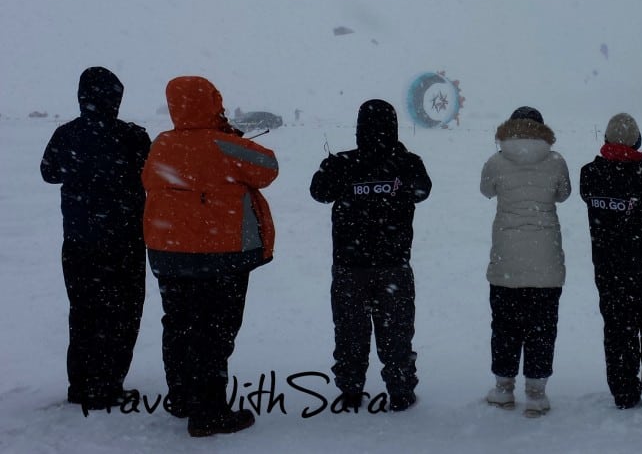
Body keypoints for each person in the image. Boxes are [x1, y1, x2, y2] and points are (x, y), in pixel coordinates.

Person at [142, 76, 278, 437]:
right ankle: (210, 411)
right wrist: (228, 136)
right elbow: (267, 168)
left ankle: (183, 396)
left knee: (178, 325)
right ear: (212, 102)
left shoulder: (161, 145)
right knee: (215, 331)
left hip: (168, 253)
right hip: (221, 254)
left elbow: (149, 179)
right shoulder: (224, 144)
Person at [310, 99, 432, 412]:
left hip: (352, 267)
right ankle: (401, 390)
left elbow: (320, 191)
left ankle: (351, 390)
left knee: (350, 331)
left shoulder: (342, 162)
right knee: (396, 332)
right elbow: (422, 190)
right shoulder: (407, 162)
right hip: (392, 265)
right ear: (394, 126)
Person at [40, 67, 151, 410]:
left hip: (78, 241)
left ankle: (82, 385)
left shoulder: (66, 134)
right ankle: (108, 384)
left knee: (84, 312)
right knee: (123, 312)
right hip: (124, 241)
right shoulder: (132, 136)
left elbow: (49, 172)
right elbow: (154, 175)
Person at [578, 113, 642, 412]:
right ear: (637, 141)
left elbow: (596, 193)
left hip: (609, 270)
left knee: (618, 329)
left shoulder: (589, 174)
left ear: (606, 140)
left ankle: (624, 392)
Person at [479, 106, 571, 417]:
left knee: (504, 326)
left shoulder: (496, 161)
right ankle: (536, 394)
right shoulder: (556, 162)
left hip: (507, 259)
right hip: (545, 259)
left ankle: (504, 389)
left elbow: (485, 190)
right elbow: (563, 195)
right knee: (542, 328)